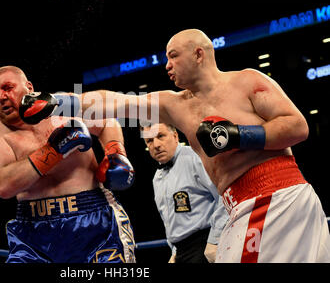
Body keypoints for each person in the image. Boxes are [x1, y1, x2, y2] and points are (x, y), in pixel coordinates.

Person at [20, 29, 330, 262]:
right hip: (239, 205)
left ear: (199, 54)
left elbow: (296, 126)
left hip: (277, 196)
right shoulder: (174, 105)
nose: (166, 64)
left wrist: (236, 134)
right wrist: (62, 101)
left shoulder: (246, 82)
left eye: (173, 55)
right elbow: (117, 102)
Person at [0, 65, 136, 263]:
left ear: (29, 87)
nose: (1, 96)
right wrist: (55, 150)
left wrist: (115, 152)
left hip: (94, 222)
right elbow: (3, 186)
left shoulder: (60, 106)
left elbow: (107, 122)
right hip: (33, 232)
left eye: (8, 88)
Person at [141, 122, 228, 263]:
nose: (156, 145)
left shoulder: (195, 157)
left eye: (160, 136)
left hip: (206, 243)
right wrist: (175, 252)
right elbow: (169, 220)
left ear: (175, 136)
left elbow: (224, 196)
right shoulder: (157, 178)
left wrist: (214, 240)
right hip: (181, 252)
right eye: (149, 140)